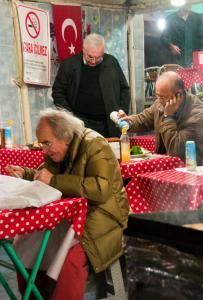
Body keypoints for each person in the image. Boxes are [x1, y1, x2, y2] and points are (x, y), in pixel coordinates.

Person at [5, 108, 129, 299]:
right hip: (72, 214)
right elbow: (43, 174)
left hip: (103, 215)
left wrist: (54, 180)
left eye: (47, 143)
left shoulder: (94, 144)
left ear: (65, 136)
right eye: (42, 144)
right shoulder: (57, 150)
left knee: (69, 261)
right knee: (29, 246)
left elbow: (100, 189)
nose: (44, 150)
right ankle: (35, 295)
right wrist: (25, 173)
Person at [119, 71, 203, 166]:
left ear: (179, 95)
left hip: (195, 171)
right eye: (157, 96)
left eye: (162, 97)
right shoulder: (161, 103)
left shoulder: (198, 116)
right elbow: (144, 119)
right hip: (167, 166)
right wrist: (128, 122)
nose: (159, 100)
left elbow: (176, 152)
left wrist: (168, 117)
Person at [52, 33, 131, 137]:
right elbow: (58, 92)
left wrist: (121, 110)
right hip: (80, 123)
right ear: (83, 50)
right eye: (90, 57)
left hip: (108, 123)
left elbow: (124, 89)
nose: (94, 61)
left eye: (98, 58)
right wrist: (69, 116)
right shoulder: (69, 65)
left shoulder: (111, 63)